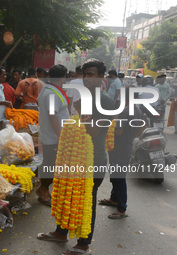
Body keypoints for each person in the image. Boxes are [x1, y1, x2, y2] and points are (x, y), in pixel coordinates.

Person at [37, 59, 114, 255]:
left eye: (92, 74)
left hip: (93, 160)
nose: (87, 78)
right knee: (68, 197)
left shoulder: (103, 99)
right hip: (76, 158)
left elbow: (94, 131)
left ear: (101, 77)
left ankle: (83, 243)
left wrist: (80, 111)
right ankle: (61, 232)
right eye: (85, 74)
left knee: (86, 201)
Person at [99, 86, 144, 219]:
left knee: (118, 177)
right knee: (117, 174)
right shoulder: (137, 110)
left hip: (119, 148)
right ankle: (114, 199)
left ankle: (121, 208)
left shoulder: (124, 111)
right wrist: (131, 137)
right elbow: (142, 128)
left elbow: (118, 131)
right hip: (126, 146)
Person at [36, 64, 69, 206]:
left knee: (51, 164)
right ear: (62, 77)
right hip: (53, 137)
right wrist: (60, 136)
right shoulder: (51, 93)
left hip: (52, 136)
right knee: (51, 165)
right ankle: (43, 190)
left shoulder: (49, 90)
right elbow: (52, 115)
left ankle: (45, 190)